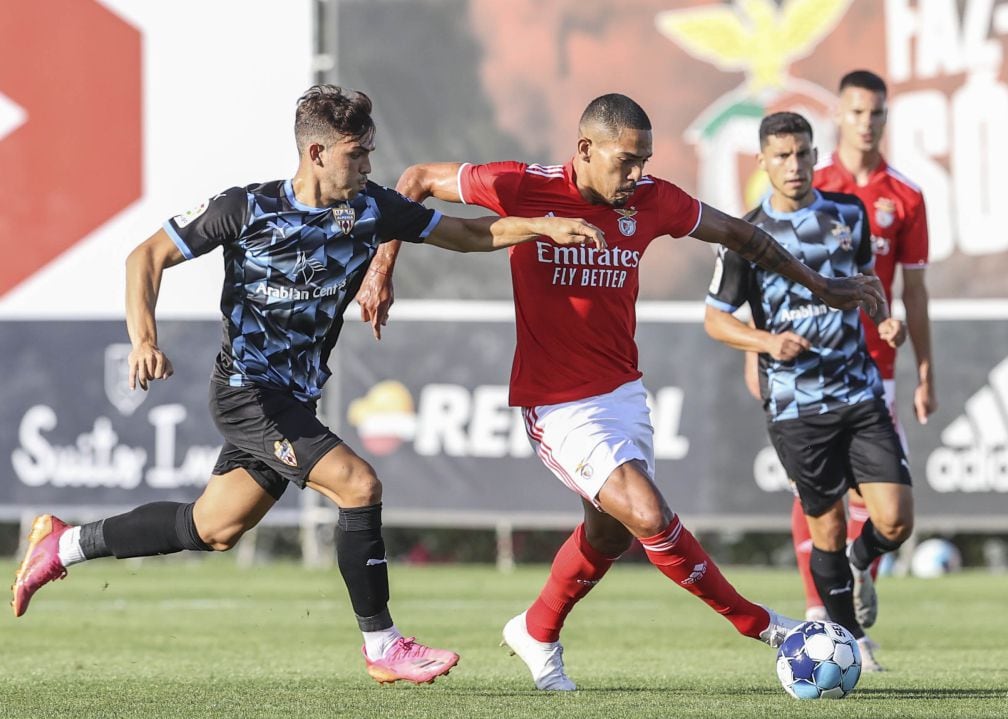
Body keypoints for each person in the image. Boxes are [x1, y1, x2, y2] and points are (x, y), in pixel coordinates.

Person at [10, 84, 607, 686]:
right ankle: (383, 646)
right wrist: (143, 339)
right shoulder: (245, 208)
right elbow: (146, 257)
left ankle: (62, 546)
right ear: (316, 152)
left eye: (371, 151)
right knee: (358, 484)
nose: (370, 166)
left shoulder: (372, 208)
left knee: (212, 528)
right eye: (357, 154)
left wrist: (541, 225)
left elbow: (469, 235)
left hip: (292, 398)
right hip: (247, 392)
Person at [363, 93, 885, 691]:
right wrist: (383, 268)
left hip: (622, 394)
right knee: (647, 513)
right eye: (627, 161)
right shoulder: (520, 186)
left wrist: (822, 286)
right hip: (556, 402)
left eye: (646, 161)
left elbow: (745, 237)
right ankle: (767, 629)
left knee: (609, 532)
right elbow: (416, 179)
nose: (638, 175)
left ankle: (536, 630)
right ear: (585, 150)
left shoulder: (652, 199)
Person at [704, 110, 915, 672]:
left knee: (895, 519)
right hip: (797, 405)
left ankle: (861, 557)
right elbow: (716, 319)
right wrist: (766, 343)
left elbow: (869, 286)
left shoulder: (849, 214)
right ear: (762, 162)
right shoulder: (743, 235)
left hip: (859, 390)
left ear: (816, 156)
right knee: (824, 528)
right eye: (781, 156)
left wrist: (885, 319)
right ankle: (849, 643)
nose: (793, 165)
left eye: (802, 154)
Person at [780, 69, 935, 626]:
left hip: (876, 369)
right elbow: (768, 273)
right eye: (857, 112)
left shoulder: (905, 197)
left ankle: (859, 561)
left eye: (877, 113)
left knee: (889, 513)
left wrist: (925, 371)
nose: (867, 123)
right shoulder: (807, 187)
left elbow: (913, 291)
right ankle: (826, 618)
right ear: (838, 116)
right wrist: (758, 353)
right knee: (816, 496)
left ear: (886, 117)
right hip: (810, 365)